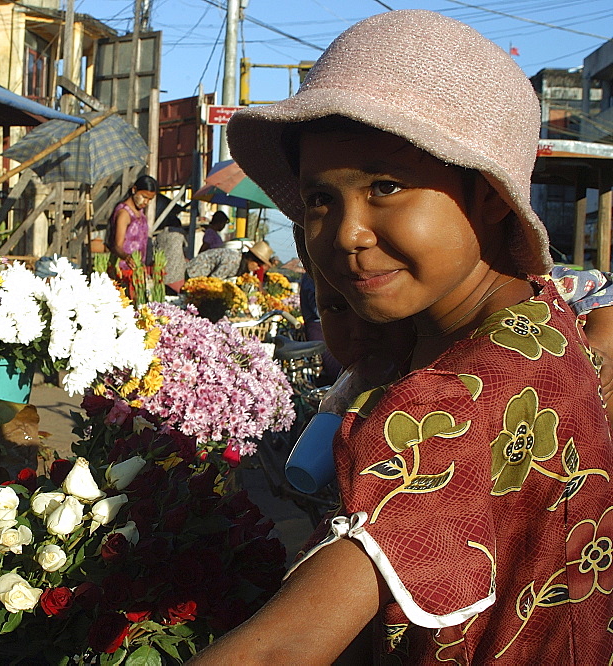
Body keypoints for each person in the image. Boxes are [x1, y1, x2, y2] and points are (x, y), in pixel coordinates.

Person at [195, 10, 613, 664]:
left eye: (385, 187)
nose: (345, 234)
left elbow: (282, 648)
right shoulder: (537, 313)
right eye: (319, 202)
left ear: (491, 196)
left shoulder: (456, 407)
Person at [108, 174, 157, 270]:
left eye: (150, 199)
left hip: (137, 269)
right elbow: (118, 245)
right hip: (124, 269)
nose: (146, 202)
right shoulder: (124, 213)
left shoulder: (140, 212)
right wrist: (126, 257)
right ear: (134, 190)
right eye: (144, 197)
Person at [185, 239, 272, 281]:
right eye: (258, 265)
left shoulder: (240, 264)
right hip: (192, 274)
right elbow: (214, 281)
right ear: (250, 259)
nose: (258, 268)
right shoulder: (233, 261)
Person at [151, 214, 189, 294]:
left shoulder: (159, 235)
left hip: (161, 271)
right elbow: (186, 249)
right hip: (177, 271)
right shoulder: (180, 234)